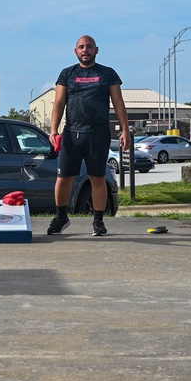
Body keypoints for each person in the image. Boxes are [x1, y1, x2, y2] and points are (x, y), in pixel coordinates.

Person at [48, 35, 130, 237]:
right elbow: (59, 103)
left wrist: (125, 130)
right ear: (76, 51)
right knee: (63, 177)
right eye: (81, 47)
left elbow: (118, 103)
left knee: (97, 178)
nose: (85, 50)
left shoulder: (107, 74)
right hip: (72, 133)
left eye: (89, 47)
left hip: (98, 133)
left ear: (96, 50)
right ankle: (61, 217)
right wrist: (53, 130)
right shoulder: (67, 74)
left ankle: (98, 221)